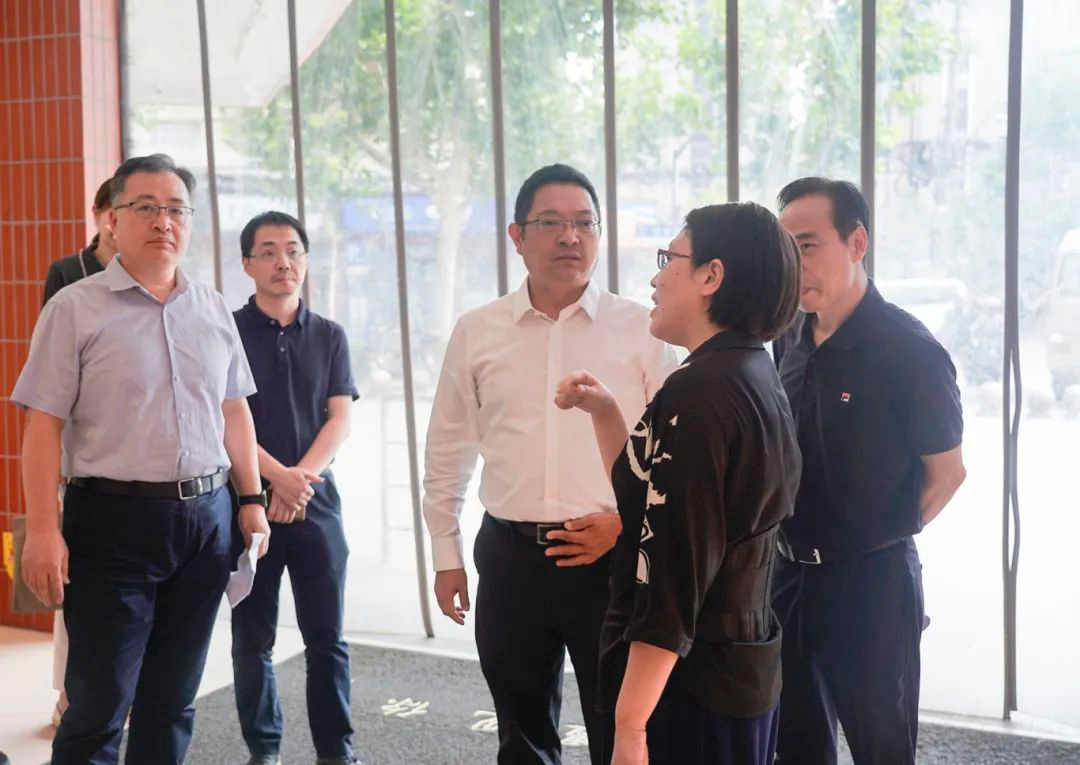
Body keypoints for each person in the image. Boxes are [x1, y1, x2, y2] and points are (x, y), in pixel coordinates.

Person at [12, 153, 272, 765]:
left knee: (173, 701)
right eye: (146, 207)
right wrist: (43, 529)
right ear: (112, 219)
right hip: (111, 522)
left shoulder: (211, 306)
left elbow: (233, 410)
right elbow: (43, 425)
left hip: (205, 519)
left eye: (177, 209)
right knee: (100, 703)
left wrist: (251, 500)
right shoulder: (74, 308)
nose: (164, 221)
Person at [422, 163, 678, 764]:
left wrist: (627, 526)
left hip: (609, 559)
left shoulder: (641, 328)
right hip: (511, 558)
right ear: (517, 235)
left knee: (620, 728)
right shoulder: (478, 331)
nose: (570, 236)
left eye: (585, 223)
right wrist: (445, 553)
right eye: (551, 223)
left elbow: (676, 451)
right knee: (522, 734)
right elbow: (448, 446)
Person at [556, 202, 802, 765]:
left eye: (669, 258)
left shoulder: (703, 392)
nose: (655, 278)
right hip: (734, 667)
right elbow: (650, 499)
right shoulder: (747, 369)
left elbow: (676, 571)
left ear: (711, 275)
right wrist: (604, 410)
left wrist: (630, 724)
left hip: (691, 684)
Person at [771, 177, 967, 765]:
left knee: (880, 746)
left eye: (807, 246)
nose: (794, 265)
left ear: (856, 243)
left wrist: (874, 536)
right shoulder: (787, 336)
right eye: (786, 250)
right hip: (787, 579)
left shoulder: (910, 350)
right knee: (796, 745)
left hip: (871, 586)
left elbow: (947, 473)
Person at [230, 211, 362, 765]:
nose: (283, 262)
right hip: (248, 505)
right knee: (252, 640)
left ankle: (337, 753)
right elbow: (222, 418)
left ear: (305, 260)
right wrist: (274, 479)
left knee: (327, 639)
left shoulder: (330, 334)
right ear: (247, 264)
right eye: (269, 252)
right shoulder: (227, 331)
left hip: (317, 505)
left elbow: (340, 419)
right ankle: (264, 751)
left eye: (293, 251)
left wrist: (298, 480)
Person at [39, 176, 119, 728]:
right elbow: (52, 373)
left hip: (131, 450)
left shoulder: (155, 276)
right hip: (82, 450)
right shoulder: (69, 274)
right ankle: (69, 694)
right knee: (78, 586)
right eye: (117, 210)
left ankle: (115, 697)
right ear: (100, 214)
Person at [43, 178, 118, 303]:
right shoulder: (64, 273)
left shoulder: (147, 272)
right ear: (96, 214)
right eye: (113, 215)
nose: (119, 225)